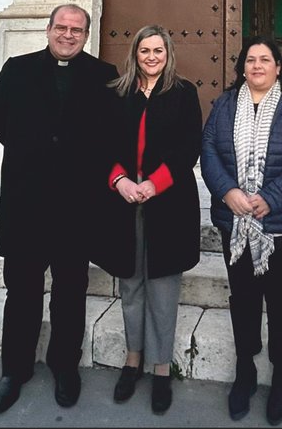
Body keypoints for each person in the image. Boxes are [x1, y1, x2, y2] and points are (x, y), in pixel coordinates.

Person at [0, 3, 119, 415]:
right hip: (26, 201)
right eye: (61, 27)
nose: (68, 35)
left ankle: (65, 368)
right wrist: (32, 150)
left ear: (86, 35)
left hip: (77, 205)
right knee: (22, 290)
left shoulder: (104, 76)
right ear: (48, 29)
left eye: (76, 30)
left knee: (70, 291)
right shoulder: (17, 69)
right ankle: (14, 371)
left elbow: (111, 133)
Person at [199, 36, 282, 425]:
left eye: (265, 59)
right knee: (244, 297)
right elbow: (209, 150)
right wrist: (228, 192)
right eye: (250, 60)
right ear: (242, 68)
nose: (257, 66)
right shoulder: (225, 104)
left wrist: (271, 197)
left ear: (278, 67)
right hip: (236, 223)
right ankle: (245, 369)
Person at [88, 25, 201, 415]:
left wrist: (155, 183)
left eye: (158, 51)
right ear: (134, 54)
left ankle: (161, 368)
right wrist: (119, 180)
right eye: (144, 51)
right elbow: (100, 144)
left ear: (168, 54)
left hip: (167, 202)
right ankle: (132, 360)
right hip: (123, 202)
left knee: (163, 288)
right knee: (131, 284)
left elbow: (188, 146)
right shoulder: (116, 93)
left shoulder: (184, 93)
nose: (151, 57)